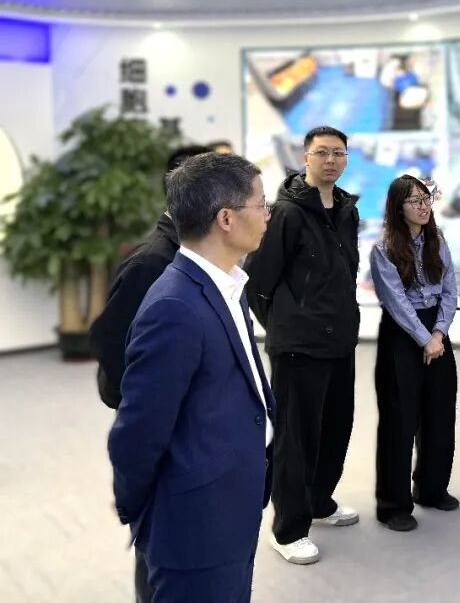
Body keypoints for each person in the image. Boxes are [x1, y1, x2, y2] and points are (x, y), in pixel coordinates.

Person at [108, 152, 274, 603]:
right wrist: (143, 512)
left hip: (230, 504)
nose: (267, 215)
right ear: (226, 219)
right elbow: (137, 431)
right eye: (261, 204)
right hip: (195, 522)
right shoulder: (174, 306)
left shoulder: (226, 285)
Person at [89, 142, 211, 603]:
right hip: (160, 422)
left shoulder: (197, 258)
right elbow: (109, 341)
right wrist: (144, 403)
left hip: (187, 422)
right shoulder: (153, 262)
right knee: (159, 539)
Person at [245, 126, 361, 565]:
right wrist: (285, 325)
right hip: (298, 346)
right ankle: (288, 529)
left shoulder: (346, 210)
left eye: (338, 153)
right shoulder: (287, 213)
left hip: (340, 339)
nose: (331, 160)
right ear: (306, 158)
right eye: (322, 152)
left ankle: (319, 502)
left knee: (335, 428)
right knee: (296, 438)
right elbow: (258, 281)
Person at [369, 176, 459, 531]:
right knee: (399, 421)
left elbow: (450, 290)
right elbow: (395, 301)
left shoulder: (438, 240)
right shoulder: (384, 248)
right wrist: (424, 339)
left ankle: (432, 489)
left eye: (426, 199)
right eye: (414, 201)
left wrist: (438, 333)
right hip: (402, 335)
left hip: (436, 330)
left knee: (440, 413)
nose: (423, 206)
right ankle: (393, 505)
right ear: (398, 207)